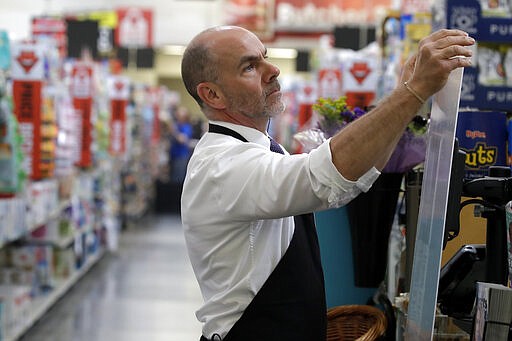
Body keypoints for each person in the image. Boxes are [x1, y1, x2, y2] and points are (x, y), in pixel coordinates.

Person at [180, 25, 474, 341]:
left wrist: (409, 97)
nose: (273, 70)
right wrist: (412, 91)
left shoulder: (256, 149)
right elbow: (322, 178)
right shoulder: (222, 166)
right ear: (212, 94)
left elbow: (349, 181)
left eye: (265, 57)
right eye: (250, 66)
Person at [169, 106, 193, 184]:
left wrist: (173, 132)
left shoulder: (187, 127)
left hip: (181, 156)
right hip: (174, 155)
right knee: (173, 177)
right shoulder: (177, 125)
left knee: (178, 179)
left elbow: (182, 139)